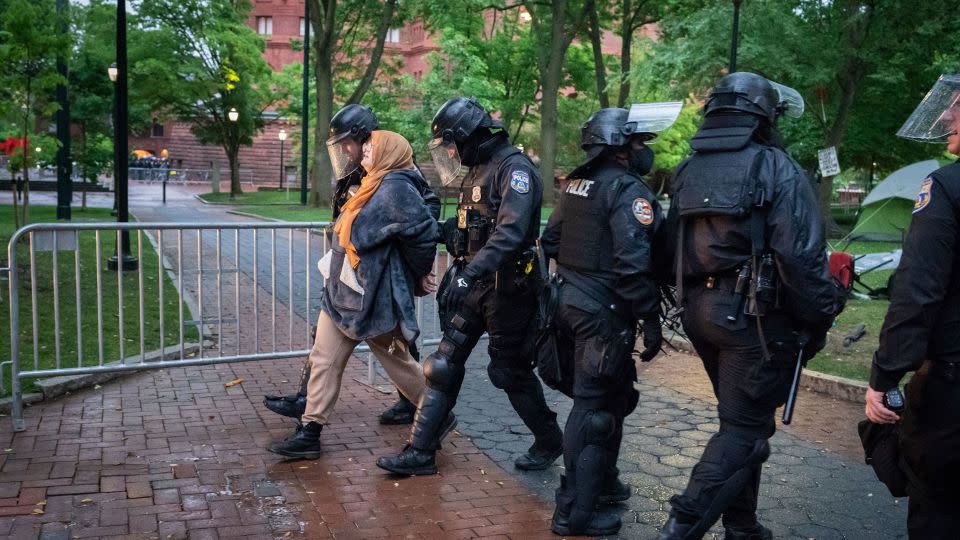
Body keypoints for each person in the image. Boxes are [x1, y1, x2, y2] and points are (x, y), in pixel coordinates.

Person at [658, 72, 845, 540]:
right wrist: (825, 309)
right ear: (764, 117)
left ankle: (742, 524)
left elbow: (663, 247)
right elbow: (801, 258)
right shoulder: (776, 167)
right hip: (753, 322)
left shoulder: (686, 169)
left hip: (699, 314)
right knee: (743, 429)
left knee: (742, 421)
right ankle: (681, 526)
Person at [376, 97, 564, 476]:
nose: (450, 151)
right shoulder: (477, 169)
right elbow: (473, 226)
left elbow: (510, 232)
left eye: (451, 143)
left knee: (508, 370)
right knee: (442, 366)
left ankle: (549, 439)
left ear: (468, 135)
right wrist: (442, 234)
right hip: (476, 286)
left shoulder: (514, 168)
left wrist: (469, 272)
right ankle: (421, 450)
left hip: (508, 289)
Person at [267, 130, 451, 459]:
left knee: (398, 364)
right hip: (343, 292)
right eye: (364, 146)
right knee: (324, 359)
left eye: (370, 147)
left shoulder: (396, 186)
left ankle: (438, 414)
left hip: (373, 294)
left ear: (387, 153)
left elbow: (423, 234)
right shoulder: (371, 181)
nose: (363, 152)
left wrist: (419, 273)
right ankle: (310, 430)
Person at [539, 103, 678, 536]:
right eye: (639, 142)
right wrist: (651, 320)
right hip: (602, 314)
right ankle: (574, 513)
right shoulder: (628, 191)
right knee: (594, 410)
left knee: (615, 398)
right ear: (620, 147)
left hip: (569, 303)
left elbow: (551, 240)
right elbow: (633, 265)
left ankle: (601, 483)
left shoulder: (577, 185)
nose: (644, 151)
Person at [864, 74, 960, 538]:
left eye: (958, 106)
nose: (946, 116)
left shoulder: (946, 187)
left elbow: (916, 293)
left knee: (938, 513)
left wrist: (884, 377)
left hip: (952, 393)